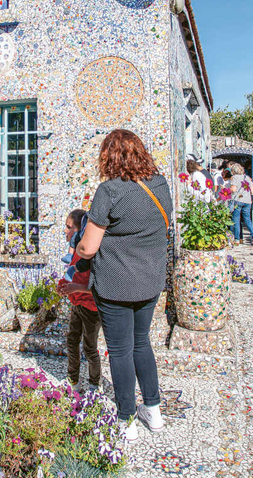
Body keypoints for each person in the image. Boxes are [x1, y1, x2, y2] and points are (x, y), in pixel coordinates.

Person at [76, 129, 172, 441]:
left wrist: (77, 249)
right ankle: (154, 412)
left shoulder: (109, 191)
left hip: (115, 284)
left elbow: (89, 248)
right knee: (142, 342)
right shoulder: (160, 185)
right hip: (150, 281)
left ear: (108, 157)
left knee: (119, 351)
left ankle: (126, 420)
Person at [58, 209, 102, 393]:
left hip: (91, 308)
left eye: (69, 227)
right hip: (77, 304)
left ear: (79, 229)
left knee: (90, 348)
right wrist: (63, 286)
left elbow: (98, 286)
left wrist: (74, 288)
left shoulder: (90, 252)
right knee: (72, 342)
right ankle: (73, 381)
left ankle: (94, 385)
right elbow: (74, 274)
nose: (66, 232)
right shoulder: (76, 250)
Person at [227, 169, 253, 245]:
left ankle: (237, 239)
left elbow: (233, 190)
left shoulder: (234, 177)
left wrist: (226, 189)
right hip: (247, 201)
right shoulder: (247, 177)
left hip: (238, 200)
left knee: (236, 219)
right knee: (247, 219)